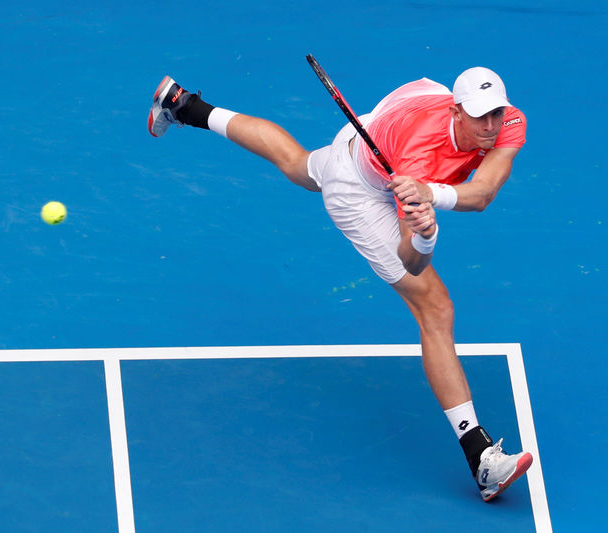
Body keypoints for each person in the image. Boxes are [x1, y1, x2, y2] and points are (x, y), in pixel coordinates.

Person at [147, 65, 533, 501]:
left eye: (495, 113)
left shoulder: (507, 123)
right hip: (358, 185)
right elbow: (414, 264)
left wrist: (432, 194)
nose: (490, 125)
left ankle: (186, 106)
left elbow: (481, 194)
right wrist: (424, 235)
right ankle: (479, 457)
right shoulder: (419, 153)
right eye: (479, 116)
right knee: (434, 307)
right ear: (457, 110)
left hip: (378, 131)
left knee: (298, 165)